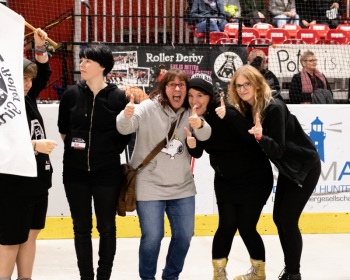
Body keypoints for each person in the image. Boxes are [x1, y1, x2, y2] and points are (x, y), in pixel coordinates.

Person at [57, 44, 145, 280]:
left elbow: (125, 133)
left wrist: (106, 150)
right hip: (74, 173)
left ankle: (103, 276)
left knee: (106, 228)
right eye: (82, 59)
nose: (82, 64)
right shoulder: (71, 94)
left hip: (106, 173)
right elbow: (64, 130)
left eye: (88, 61)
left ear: (103, 66)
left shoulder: (118, 97)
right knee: (81, 228)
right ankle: (86, 277)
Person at [227, 64, 321, 280]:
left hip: (304, 167)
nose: (242, 89)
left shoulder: (274, 107)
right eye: (238, 85)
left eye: (246, 84)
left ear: (257, 84)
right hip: (288, 169)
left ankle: (293, 273)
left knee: (287, 220)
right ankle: (290, 270)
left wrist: (261, 137)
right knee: (280, 219)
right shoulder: (249, 108)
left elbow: (278, 149)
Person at [116, 69, 212, 280]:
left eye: (181, 85)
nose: (177, 89)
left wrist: (201, 124)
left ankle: (171, 276)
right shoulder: (149, 107)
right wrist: (126, 115)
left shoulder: (191, 111)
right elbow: (124, 128)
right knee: (152, 237)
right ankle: (148, 278)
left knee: (185, 236)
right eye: (172, 85)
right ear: (164, 88)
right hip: (149, 185)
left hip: (182, 186)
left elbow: (206, 134)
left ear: (186, 90)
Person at [186, 73, 273, 280]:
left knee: (246, 226)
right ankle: (219, 273)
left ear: (209, 96)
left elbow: (251, 138)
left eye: (200, 95)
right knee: (226, 226)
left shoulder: (226, 112)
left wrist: (231, 116)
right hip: (225, 180)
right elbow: (198, 152)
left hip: (255, 178)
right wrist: (192, 143)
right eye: (191, 96)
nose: (194, 101)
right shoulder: (195, 118)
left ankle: (258, 273)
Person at [0, 28, 58, 280]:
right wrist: (34, 147)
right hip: (13, 185)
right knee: (11, 240)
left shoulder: (29, 97)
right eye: (23, 79)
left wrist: (40, 47)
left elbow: (44, 72)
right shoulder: (4, 104)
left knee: (31, 235)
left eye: (29, 80)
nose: (28, 84)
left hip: (38, 182)